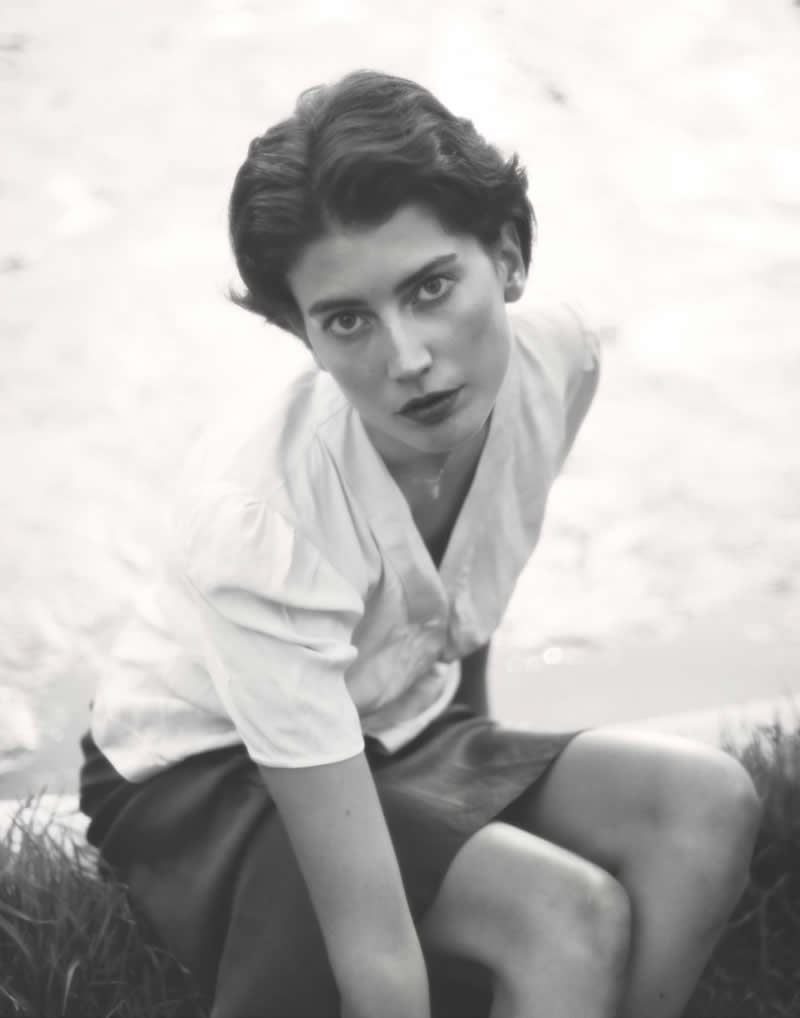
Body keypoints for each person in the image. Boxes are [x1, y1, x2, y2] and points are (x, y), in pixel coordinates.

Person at [79, 70, 762, 1018]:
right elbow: (377, 958)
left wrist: (470, 756)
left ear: (510, 257)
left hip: (395, 718)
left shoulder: (557, 362)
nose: (406, 359)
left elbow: (465, 588)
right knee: (567, 916)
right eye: (347, 319)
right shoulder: (263, 519)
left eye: (431, 287)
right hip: (212, 774)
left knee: (706, 805)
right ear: (302, 334)